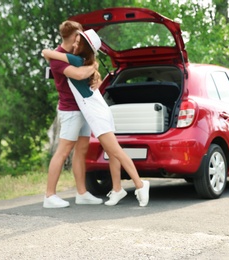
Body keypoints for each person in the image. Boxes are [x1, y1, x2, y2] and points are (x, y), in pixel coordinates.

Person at [42, 29, 150, 207]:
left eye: (78, 42)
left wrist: (48, 52)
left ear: (85, 47)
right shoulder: (85, 63)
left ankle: (140, 184)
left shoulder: (79, 62)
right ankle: (117, 189)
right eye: (74, 41)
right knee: (113, 152)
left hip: (97, 115)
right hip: (97, 113)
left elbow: (73, 68)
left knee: (116, 152)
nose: (74, 45)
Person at [43, 21, 103, 208]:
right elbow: (78, 75)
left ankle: (82, 193)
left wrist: (96, 74)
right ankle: (49, 196)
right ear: (75, 34)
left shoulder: (75, 54)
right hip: (70, 111)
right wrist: (93, 67)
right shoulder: (58, 58)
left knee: (81, 150)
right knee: (63, 152)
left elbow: (89, 73)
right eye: (80, 34)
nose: (81, 37)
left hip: (83, 108)